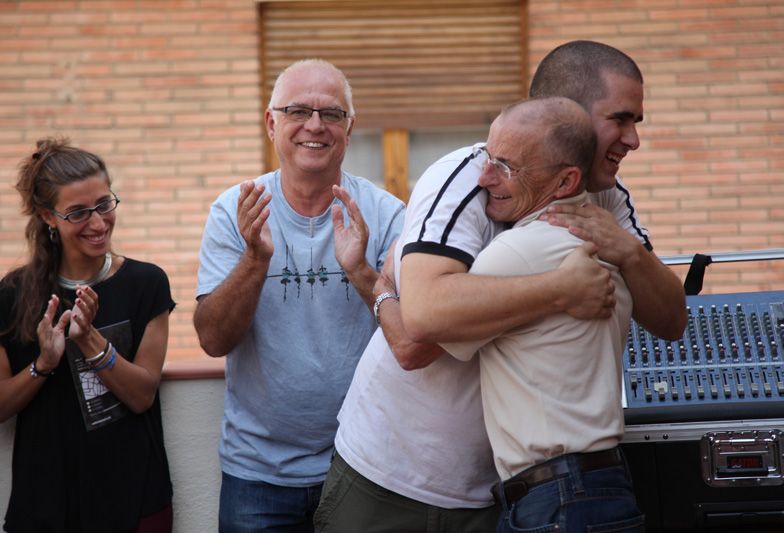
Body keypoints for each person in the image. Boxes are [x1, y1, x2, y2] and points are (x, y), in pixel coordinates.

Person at [315, 41, 685, 532]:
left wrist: (628, 250)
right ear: (568, 113)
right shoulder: (472, 179)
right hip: (391, 473)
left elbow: (671, 320)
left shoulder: (607, 200)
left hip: (501, 492)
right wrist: (558, 288)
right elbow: (417, 333)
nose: (633, 138)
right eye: (620, 118)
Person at [193, 58, 404, 532]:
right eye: (298, 111)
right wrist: (254, 259)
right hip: (257, 474)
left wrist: (360, 271)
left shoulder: (386, 214)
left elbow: (415, 335)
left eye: (331, 114)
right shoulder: (236, 211)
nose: (315, 125)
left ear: (351, 128)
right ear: (272, 123)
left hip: (363, 465)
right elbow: (212, 340)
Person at [441, 97, 642, 532]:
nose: (484, 177)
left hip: (558, 499)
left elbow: (425, 332)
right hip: (600, 485)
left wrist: (377, 283)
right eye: (487, 158)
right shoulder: (604, 236)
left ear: (566, 180)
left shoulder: (520, 250)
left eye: (507, 167)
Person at [0, 137, 176, 532]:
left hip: (135, 498)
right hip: (46, 504)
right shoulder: (16, 293)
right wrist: (44, 363)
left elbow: (142, 395)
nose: (98, 222)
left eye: (105, 204)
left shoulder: (146, 283)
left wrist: (88, 340)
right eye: (78, 213)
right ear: (47, 216)